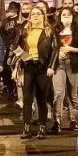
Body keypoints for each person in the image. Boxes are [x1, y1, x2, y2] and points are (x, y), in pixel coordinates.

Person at [16, 8, 54, 139]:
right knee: (27, 99)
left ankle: (42, 128)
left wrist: (51, 66)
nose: (36, 16)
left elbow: (55, 50)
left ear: (43, 16)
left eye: (39, 14)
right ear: (30, 17)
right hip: (28, 67)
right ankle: (26, 128)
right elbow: (15, 46)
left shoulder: (49, 31)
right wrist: (23, 56)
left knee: (41, 99)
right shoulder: (25, 31)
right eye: (33, 14)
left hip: (43, 68)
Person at [51, 4, 78, 129]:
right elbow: (52, 47)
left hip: (73, 64)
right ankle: (57, 120)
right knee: (58, 93)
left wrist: (72, 49)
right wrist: (58, 53)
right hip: (59, 64)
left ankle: (73, 119)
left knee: (73, 94)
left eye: (68, 15)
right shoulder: (55, 30)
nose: (66, 17)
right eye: (63, 15)